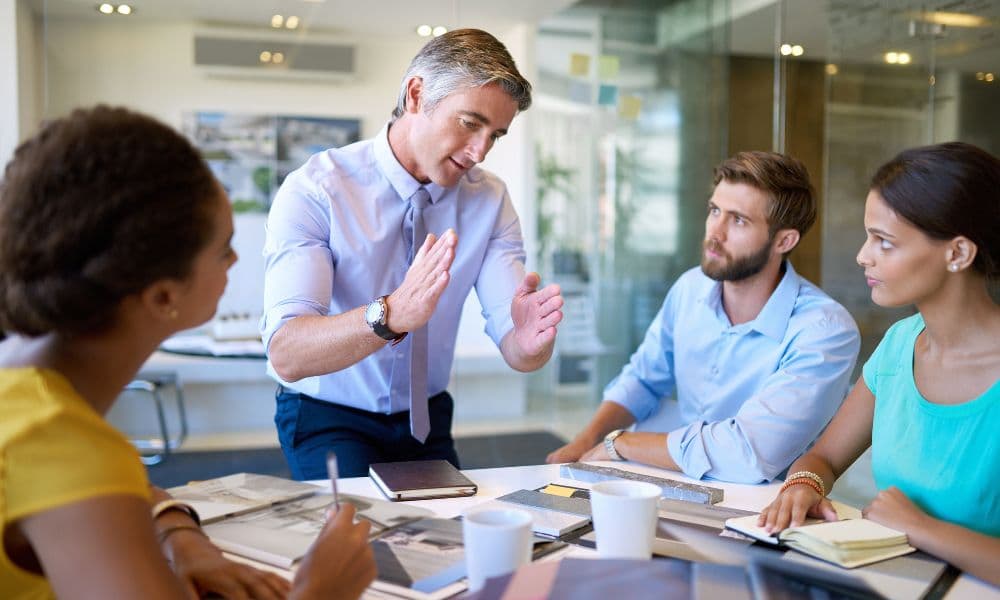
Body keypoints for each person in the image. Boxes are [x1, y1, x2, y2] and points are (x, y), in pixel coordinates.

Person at [0, 106, 376, 599]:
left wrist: (180, 532)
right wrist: (321, 591)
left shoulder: (31, 396)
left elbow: (120, 489)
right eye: (223, 249)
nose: (237, 260)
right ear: (163, 296)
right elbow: (85, 472)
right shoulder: (67, 447)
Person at [262, 28, 564, 479]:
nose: (480, 151)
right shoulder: (317, 190)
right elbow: (287, 352)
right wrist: (391, 314)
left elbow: (519, 350)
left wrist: (527, 345)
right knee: (360, 543)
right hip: (329, 415)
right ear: (417, 94)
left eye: (495, 135)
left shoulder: (489, 201)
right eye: (470, 123)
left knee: (450, 542)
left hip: (426, 418)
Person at [758, 142, 1000, 585]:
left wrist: (923, 529)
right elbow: (824, 456)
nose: (863, 256)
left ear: (958, 254)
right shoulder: (898, 346)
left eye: (884, 242)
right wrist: (804, 485)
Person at [547, 151, 860, 483]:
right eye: (715, 211)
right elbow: (643, 379)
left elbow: (750, 453)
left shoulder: (824, 330)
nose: (716, 232)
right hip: (666, 480)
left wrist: (622, 444)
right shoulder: (690, 287)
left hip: (756, 509)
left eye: (738, 220)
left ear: (784, 240)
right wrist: (586, 440)